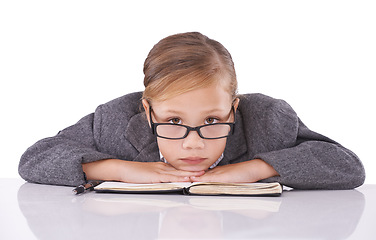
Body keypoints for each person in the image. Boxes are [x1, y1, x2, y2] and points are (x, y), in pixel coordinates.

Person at [19, 32, 365, 189]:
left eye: (213, 120)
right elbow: (35, 159)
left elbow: (347, 167)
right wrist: (118, 169)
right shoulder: (115, 119)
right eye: (173, 121)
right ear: (148, 111)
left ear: (234, 109)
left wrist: (252, 169)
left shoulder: (267, 118)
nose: (193, 144)